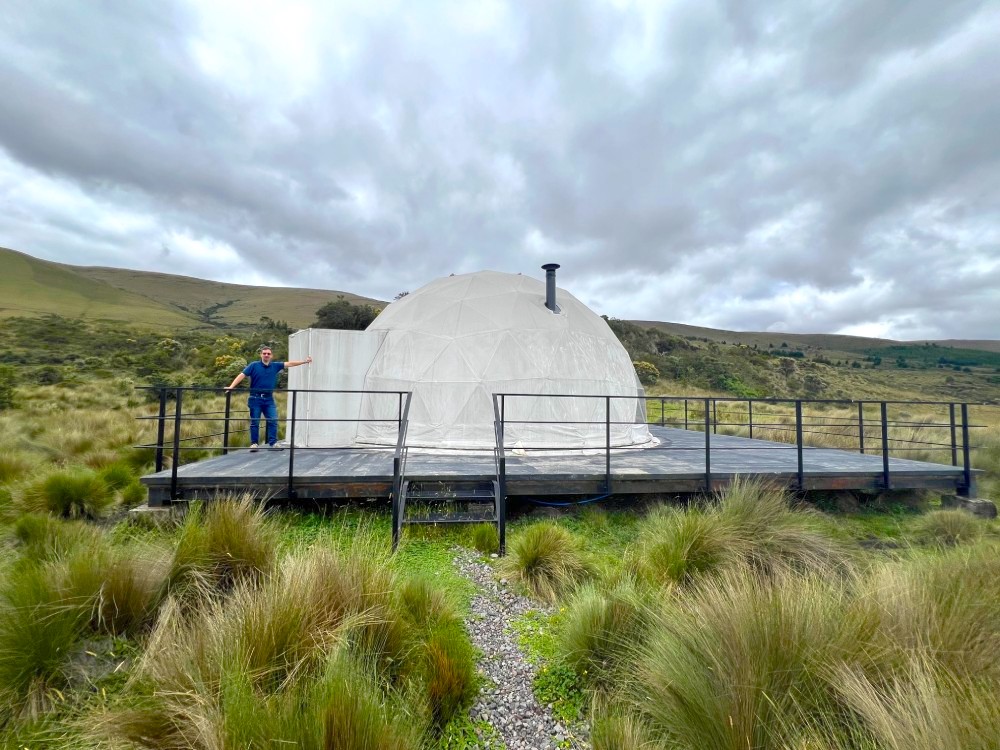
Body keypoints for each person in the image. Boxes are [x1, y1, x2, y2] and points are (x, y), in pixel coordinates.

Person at [225, 347, 313, 451]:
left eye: (268, 353)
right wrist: (231, 387)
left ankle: (273, 443)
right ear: (261, 355)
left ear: (271, 355)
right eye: (264, 353)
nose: (266, 355)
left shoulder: (275, 366)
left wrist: (304, 361)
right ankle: (254, 444)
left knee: (273, 420)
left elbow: (289, 364)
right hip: (255, 398)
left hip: (269, 399)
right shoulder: (254, 365)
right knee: (255, 422)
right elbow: (242, 375)